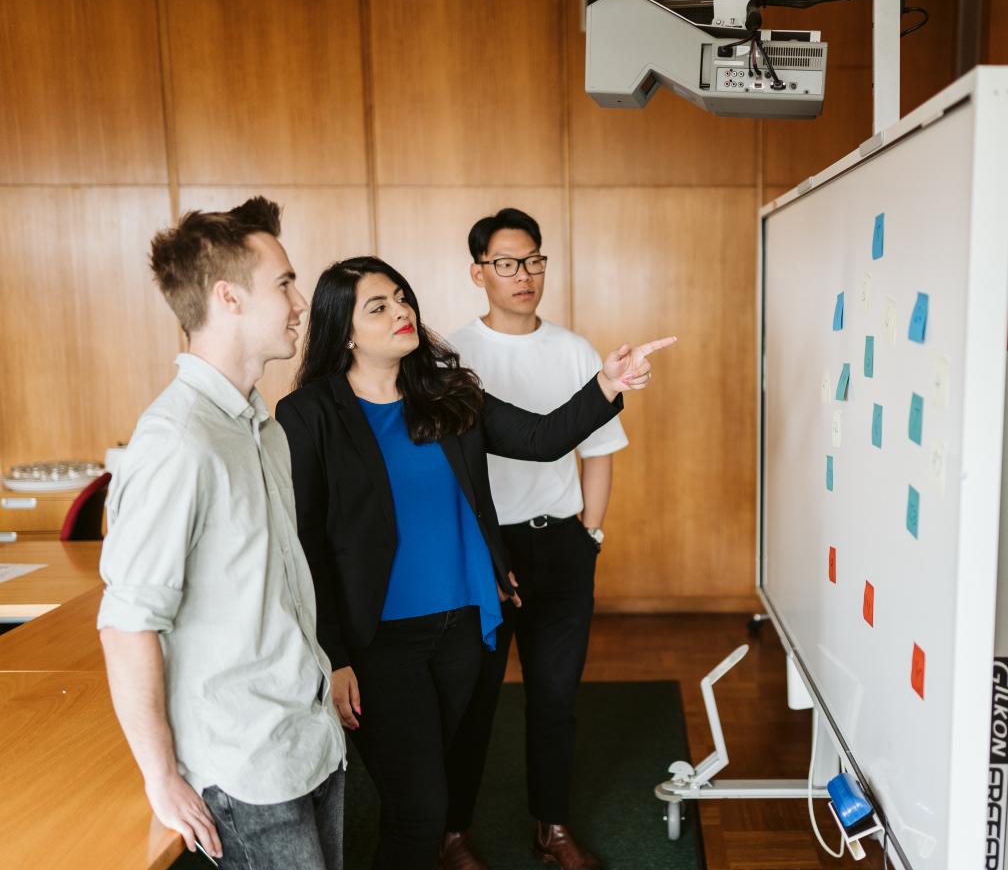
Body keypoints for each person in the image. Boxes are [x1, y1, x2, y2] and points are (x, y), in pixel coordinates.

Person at [275, 255, 674, 870]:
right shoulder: (310, 413)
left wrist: (607, 384)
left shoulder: (447, 391)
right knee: (421, 807)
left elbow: (542, 439)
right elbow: (306, 542)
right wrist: (335, 656)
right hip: (378, 639)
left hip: (464, 625)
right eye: (378, 306)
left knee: (436, 781)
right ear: (344, 328)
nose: (402, 311)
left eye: (402, 298)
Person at [98, 197, 347, 869]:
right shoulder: (179, 441)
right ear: (229, 297)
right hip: (244, 769)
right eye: (286, 283)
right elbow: (127, 624)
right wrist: (161, 776)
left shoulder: (260, 426)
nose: (302, 303)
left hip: (307, 738)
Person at [441, 209, 624, 870]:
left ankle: (551, 828)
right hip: (483, 555)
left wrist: (591, 533)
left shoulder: (575, 349)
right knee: (472, 702)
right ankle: (452, 833)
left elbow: (599, 449)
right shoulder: (450, 356)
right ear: (478, 272)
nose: (525, 276)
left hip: (561, 550)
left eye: (534, 261)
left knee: (555, 698)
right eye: (508, 263)